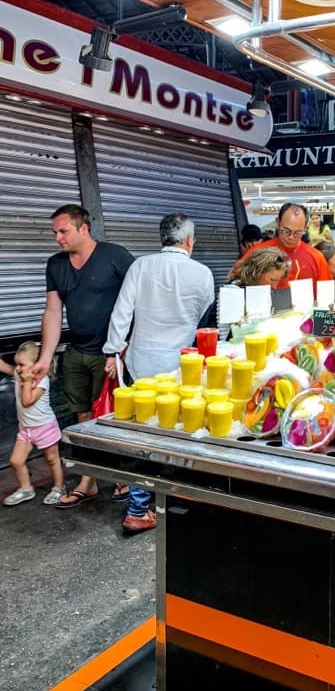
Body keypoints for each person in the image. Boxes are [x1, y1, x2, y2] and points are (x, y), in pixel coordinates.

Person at [103, 213, 215, 533]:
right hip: (182, 366)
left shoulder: (140, 266)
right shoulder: (202, 273)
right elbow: (201, 315)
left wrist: (114, 349)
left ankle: (139, 508)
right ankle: (180, 501)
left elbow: (122, 311)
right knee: (181, 433)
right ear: (190, 240)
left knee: (145, 437)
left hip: (142, 363)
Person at [29, 204, 134, 509]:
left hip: (111, 353)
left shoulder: (114, 255)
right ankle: (88, 480)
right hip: (76, 351)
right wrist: (46, 358)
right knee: (83, 418)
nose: (58, 238)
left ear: (83, 229)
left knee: (113, 417)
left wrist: (120, 350)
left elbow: (138, 300)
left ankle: (121, 476)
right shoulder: (56, 265)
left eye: (64, 231)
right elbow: (52, 312)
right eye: (55, 233)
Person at [3, 341, 66, 507]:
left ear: (36, 365)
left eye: (21, 364)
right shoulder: (21, 375)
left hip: (45, 427)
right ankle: (26, 488)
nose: (17, 368)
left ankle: (59, 487)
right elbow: (7, 369)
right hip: (26, 429)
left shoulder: (41, 381)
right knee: (16, 461)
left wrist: (27, 382)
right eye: (17, 364)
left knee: (52, 460)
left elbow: (26, 401)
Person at [240, 203, 331, 288]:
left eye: (297, 233)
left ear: (305, 228)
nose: (291, 237)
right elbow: (241, 286)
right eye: (286, 231)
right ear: (278, 223)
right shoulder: (256, 252)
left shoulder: (317, 257)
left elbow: (326, 293)